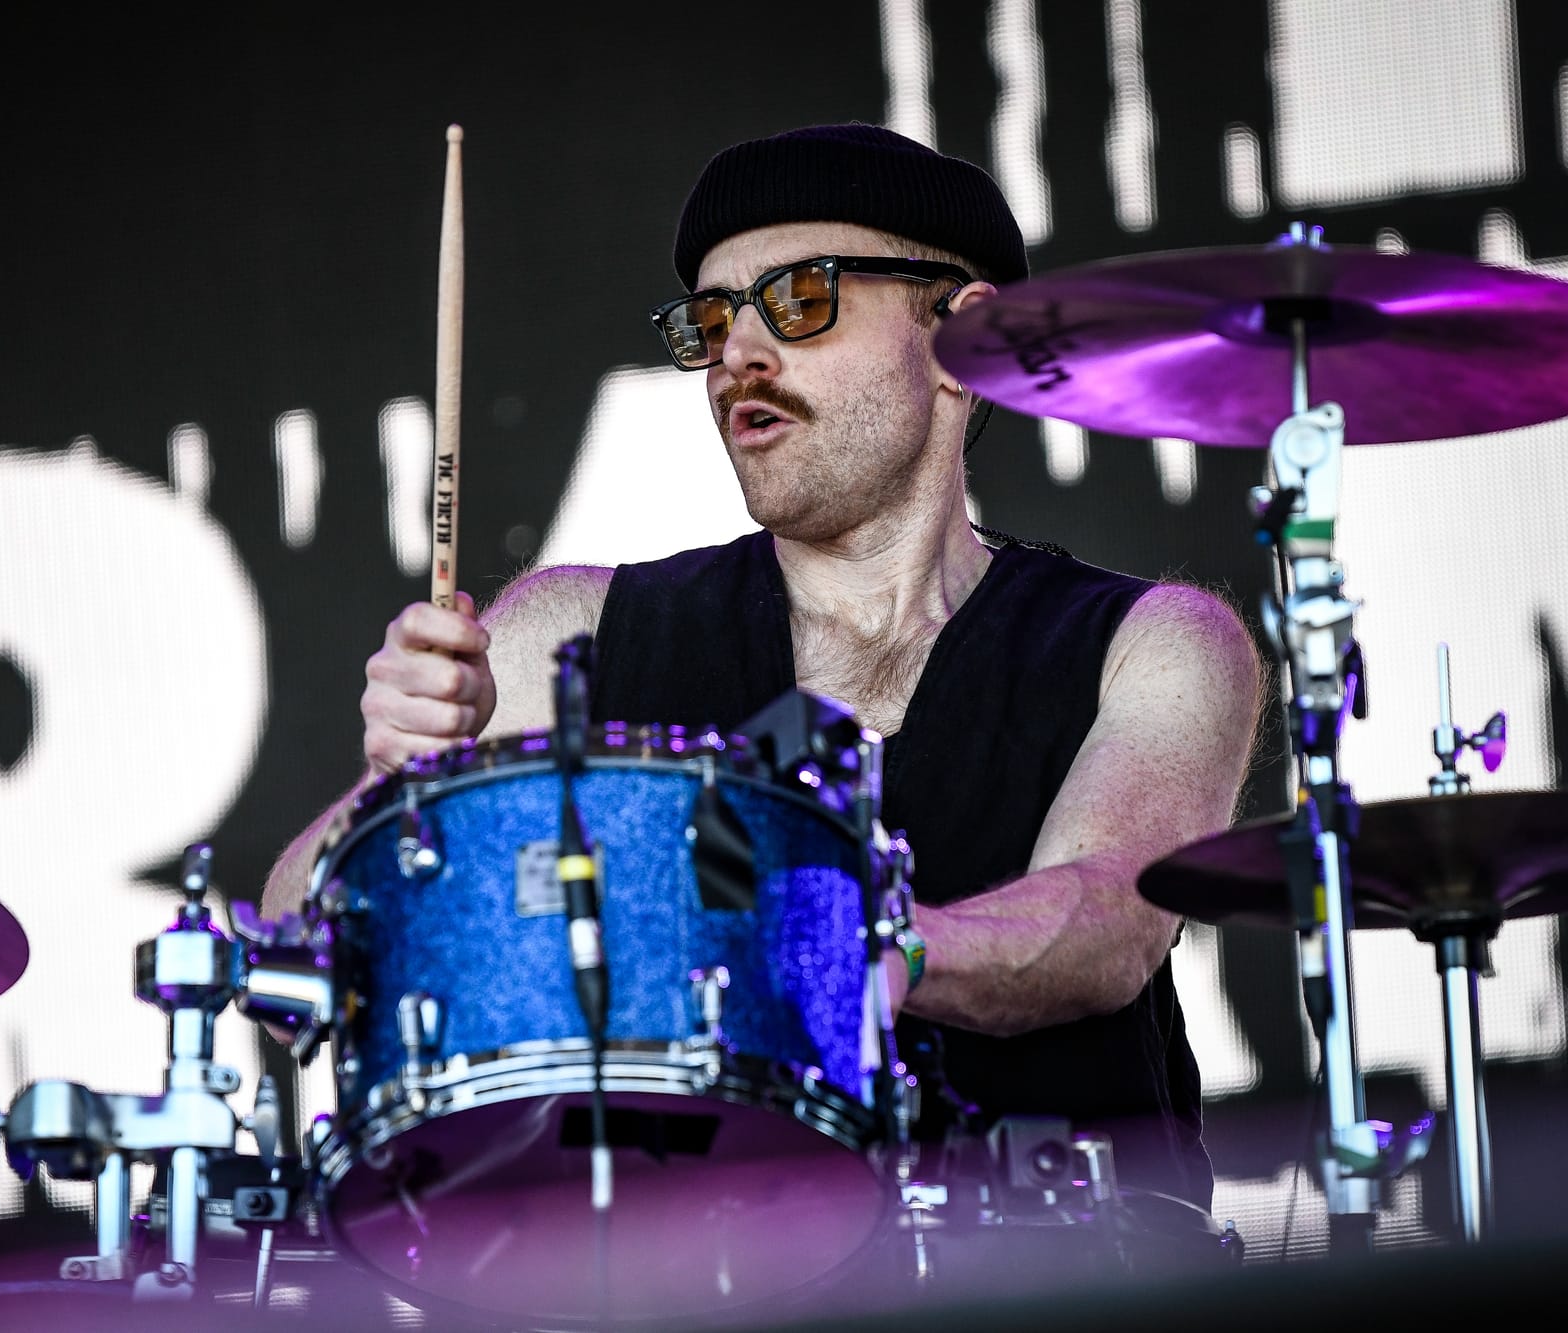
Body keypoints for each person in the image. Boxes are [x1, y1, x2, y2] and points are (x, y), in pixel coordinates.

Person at [261, 122, 1262, 1215]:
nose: (737, 353)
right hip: (683, 1270)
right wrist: (401, 786)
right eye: (711, 319)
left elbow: (1104, 923)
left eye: (799, 298)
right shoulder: (573, 629)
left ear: (959, 339)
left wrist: (844, 953)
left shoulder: (1154, 641)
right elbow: (292, 948)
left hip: (1066, 1271)